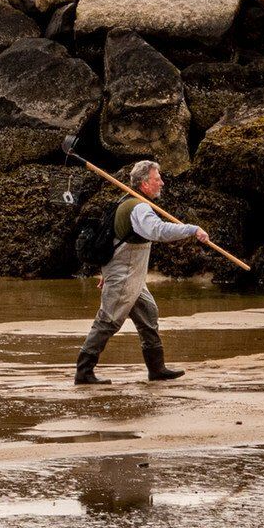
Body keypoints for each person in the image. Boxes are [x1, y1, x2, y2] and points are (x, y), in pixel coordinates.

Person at [75, 160, 209, 385]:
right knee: (108, 321)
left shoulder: (130, 202)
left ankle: (157, 369)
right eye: (158, 179)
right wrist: (192, 229)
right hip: (125, 276)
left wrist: (106, 272)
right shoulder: (138, 207)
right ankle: (84, 371)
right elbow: (157, 231)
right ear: (145, 183)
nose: (162, 183)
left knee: (148, 314)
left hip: (131, 275)